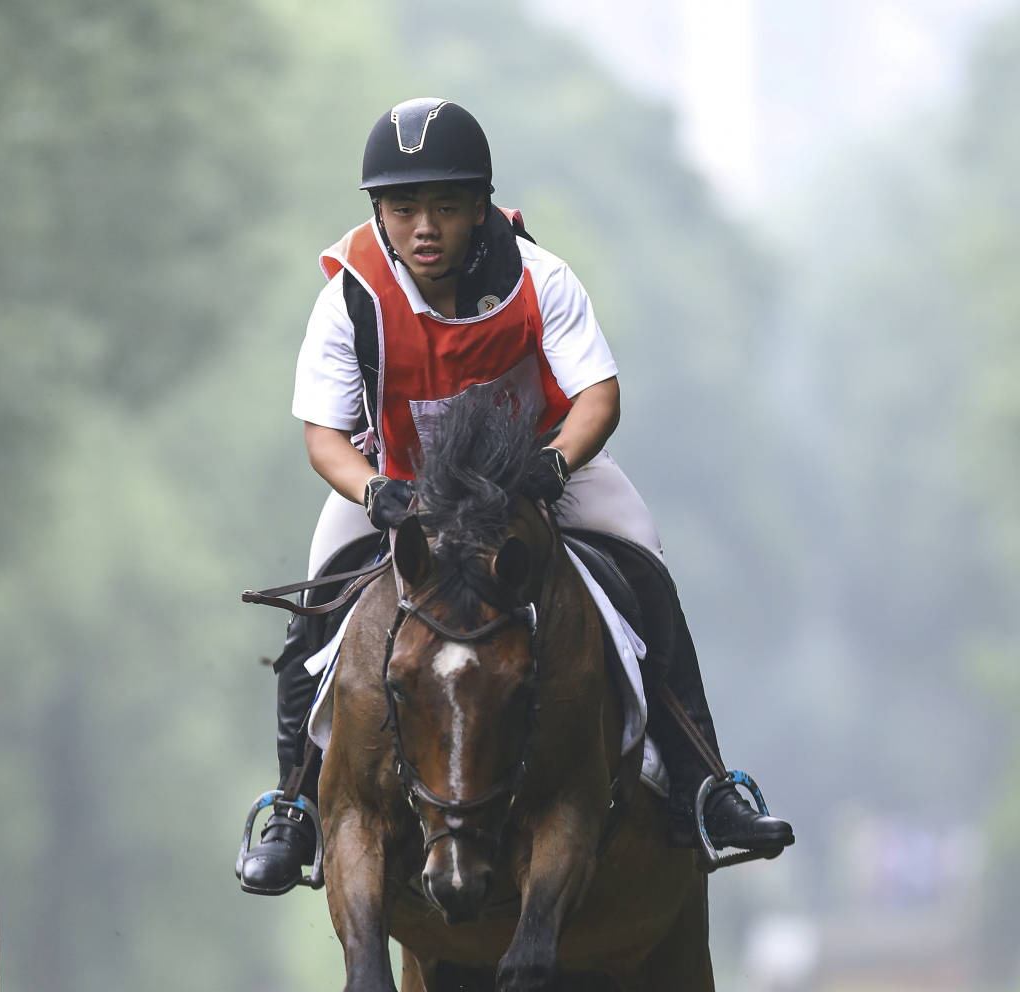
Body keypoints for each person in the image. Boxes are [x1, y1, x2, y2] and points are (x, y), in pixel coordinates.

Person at [239, 97, 793, 895]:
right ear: (379, 211)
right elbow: (324, 435)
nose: (423, 228)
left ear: (480, 209)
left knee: (644, 570)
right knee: (317, 610)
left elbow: (597, 395)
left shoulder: (540, 277)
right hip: (403, 486)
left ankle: (704, 784)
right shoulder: (350, 295)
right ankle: (293, 807)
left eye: (445, 208)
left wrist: (557, 463)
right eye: (403, 209)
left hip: (536, 478)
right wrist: (377, 494)